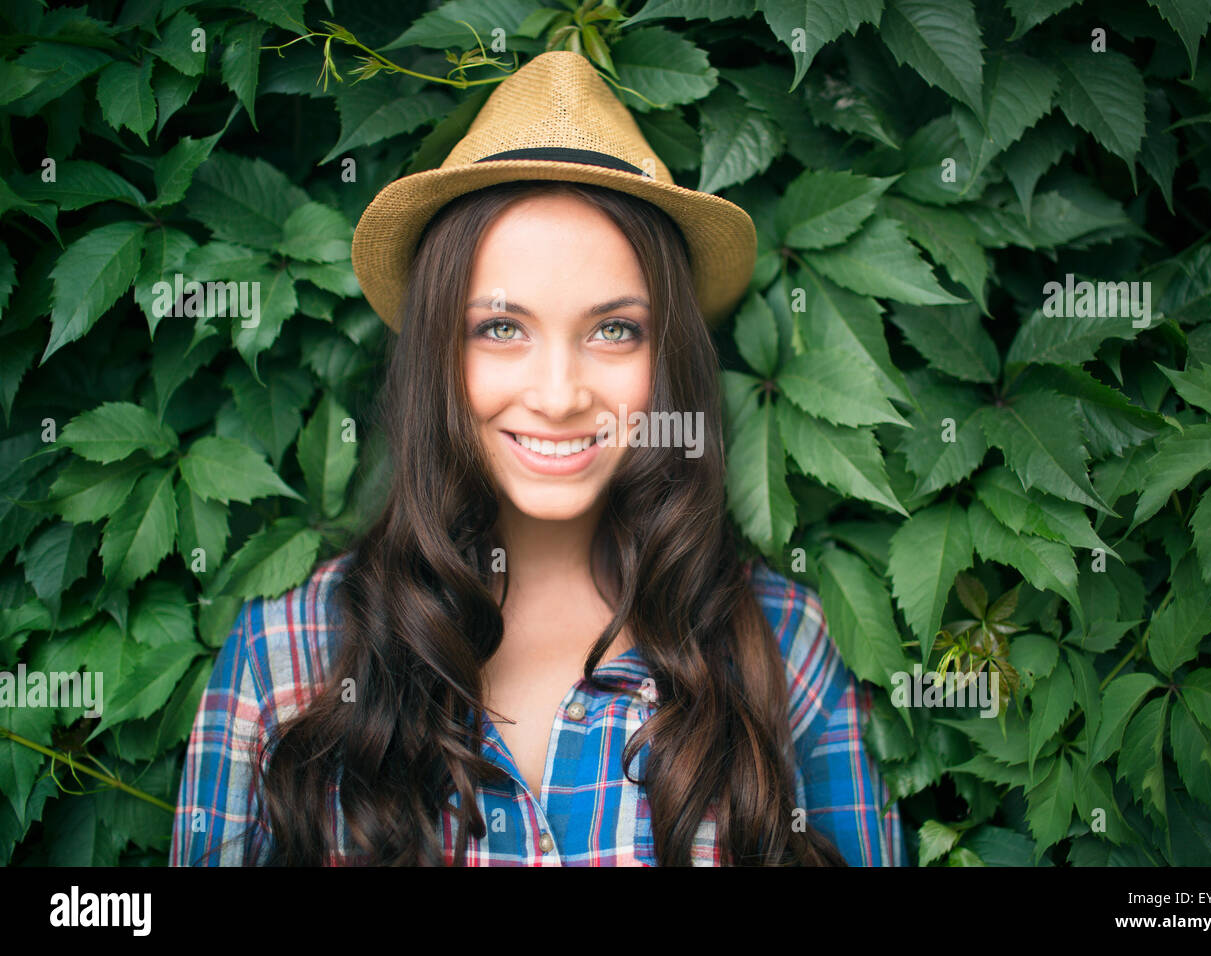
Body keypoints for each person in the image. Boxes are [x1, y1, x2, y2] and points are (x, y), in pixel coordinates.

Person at [170, 50, 904, 867]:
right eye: (501, 328)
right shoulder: (287, 656)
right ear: (438, 355)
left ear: (670, 359)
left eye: (613, 329)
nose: (559, 396)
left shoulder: (785, 648)